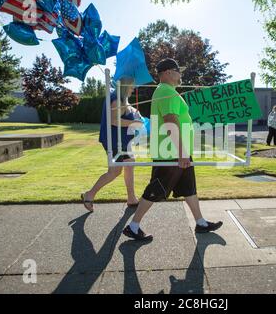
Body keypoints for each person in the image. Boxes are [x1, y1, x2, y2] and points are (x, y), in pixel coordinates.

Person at [122, 58, 223, 241]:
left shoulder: (169, 92)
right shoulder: (165, 91)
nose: (181, 74)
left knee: (189, 188)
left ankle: (200, 223)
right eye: (178, 70)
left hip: (176, 152)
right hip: (171, 152)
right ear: (168, 72)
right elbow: (170, 121)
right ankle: (133, 226)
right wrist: (182, 152)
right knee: (156, 189)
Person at [81, 77, 144, 211]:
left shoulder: (120, 99)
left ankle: (131, 198)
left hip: (122, 141)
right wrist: (135, 123)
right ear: (125, 86)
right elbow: (114, 120)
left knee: (130, 163)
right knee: (114, 172)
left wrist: (133, 112)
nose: (133, 89)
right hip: (115, 141)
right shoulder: (117, 99)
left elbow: (124, 110)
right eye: (132, 86)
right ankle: (89, 194)